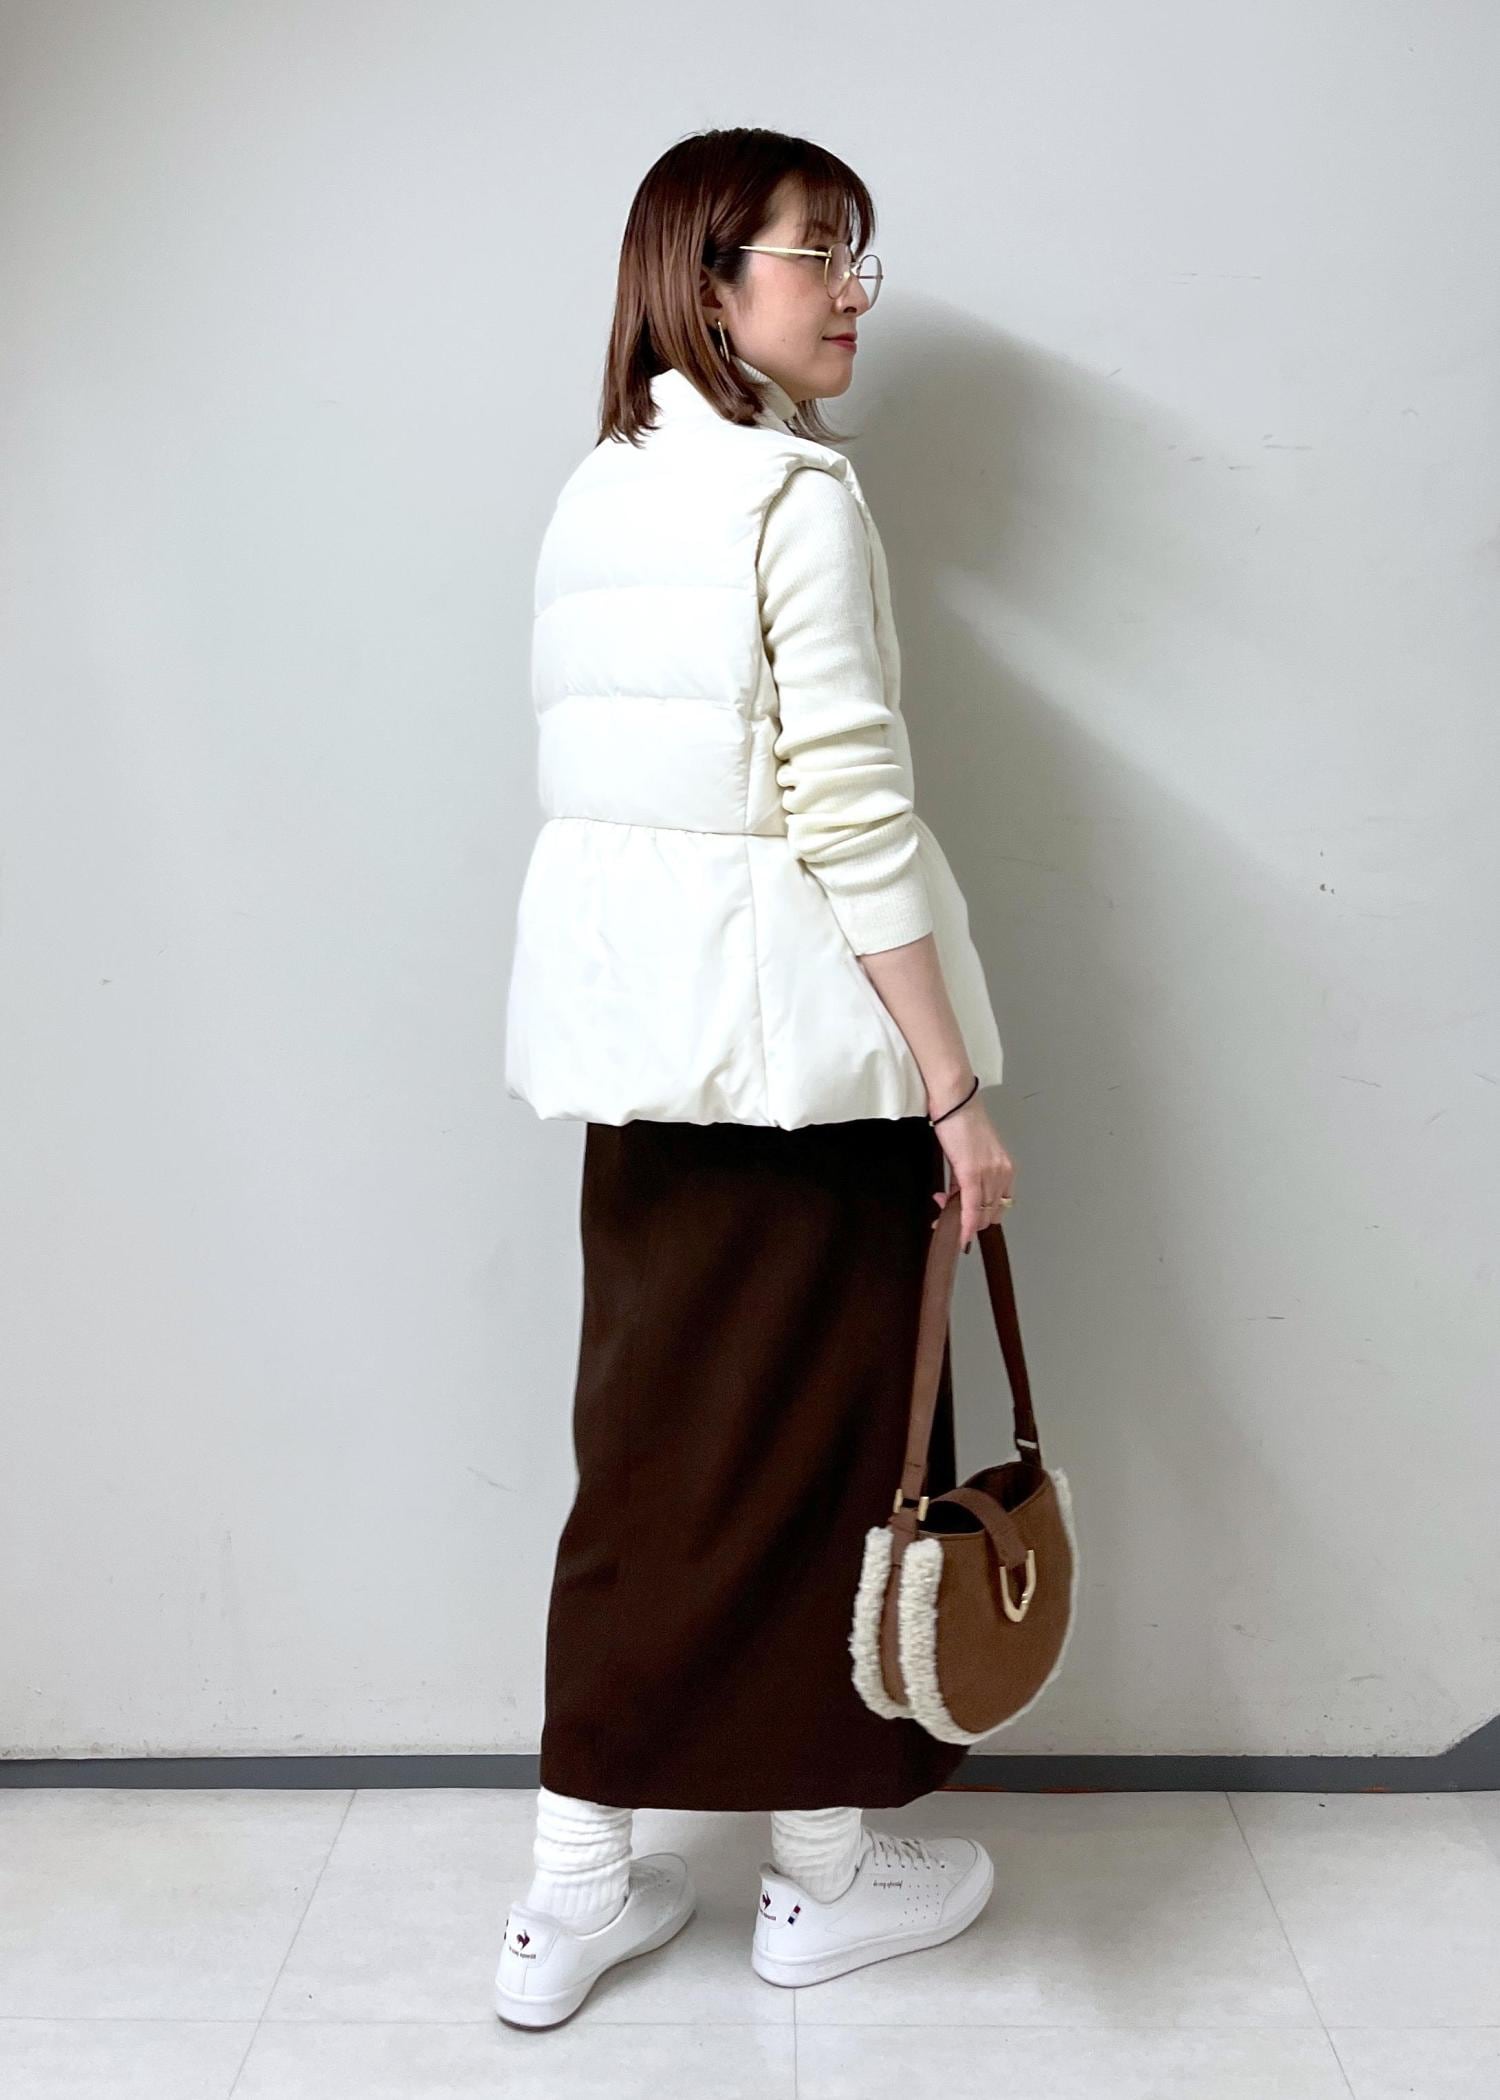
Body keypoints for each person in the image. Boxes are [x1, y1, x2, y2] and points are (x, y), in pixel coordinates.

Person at [496, 127, 1017, 2029]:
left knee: (645, 1458)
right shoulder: (790, 495)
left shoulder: (601, 483)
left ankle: (572, 1892)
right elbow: (849, 811)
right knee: (834, 1460)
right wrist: (952, 1092)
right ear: (708, 278)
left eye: (858, 253)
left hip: (640, 1056)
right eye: (816, 251)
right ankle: (825, 1874)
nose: (851, 288)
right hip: (802, 1064)